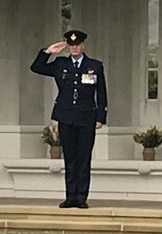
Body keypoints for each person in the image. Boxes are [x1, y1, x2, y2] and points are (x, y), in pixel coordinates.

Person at [29, 30, 107, 209]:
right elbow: (36, 67)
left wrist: (101, 117)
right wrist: (48, 52)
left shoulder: (94, 66)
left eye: (77, 45)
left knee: (84, 158)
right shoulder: (60, 64)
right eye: (71, 45)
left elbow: (101, 93)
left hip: (87, 117)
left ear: (83, 46)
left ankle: (81, 197)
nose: (74, 48)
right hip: (66, 116)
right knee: (70, 158)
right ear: (68, 46)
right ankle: (70, 196)